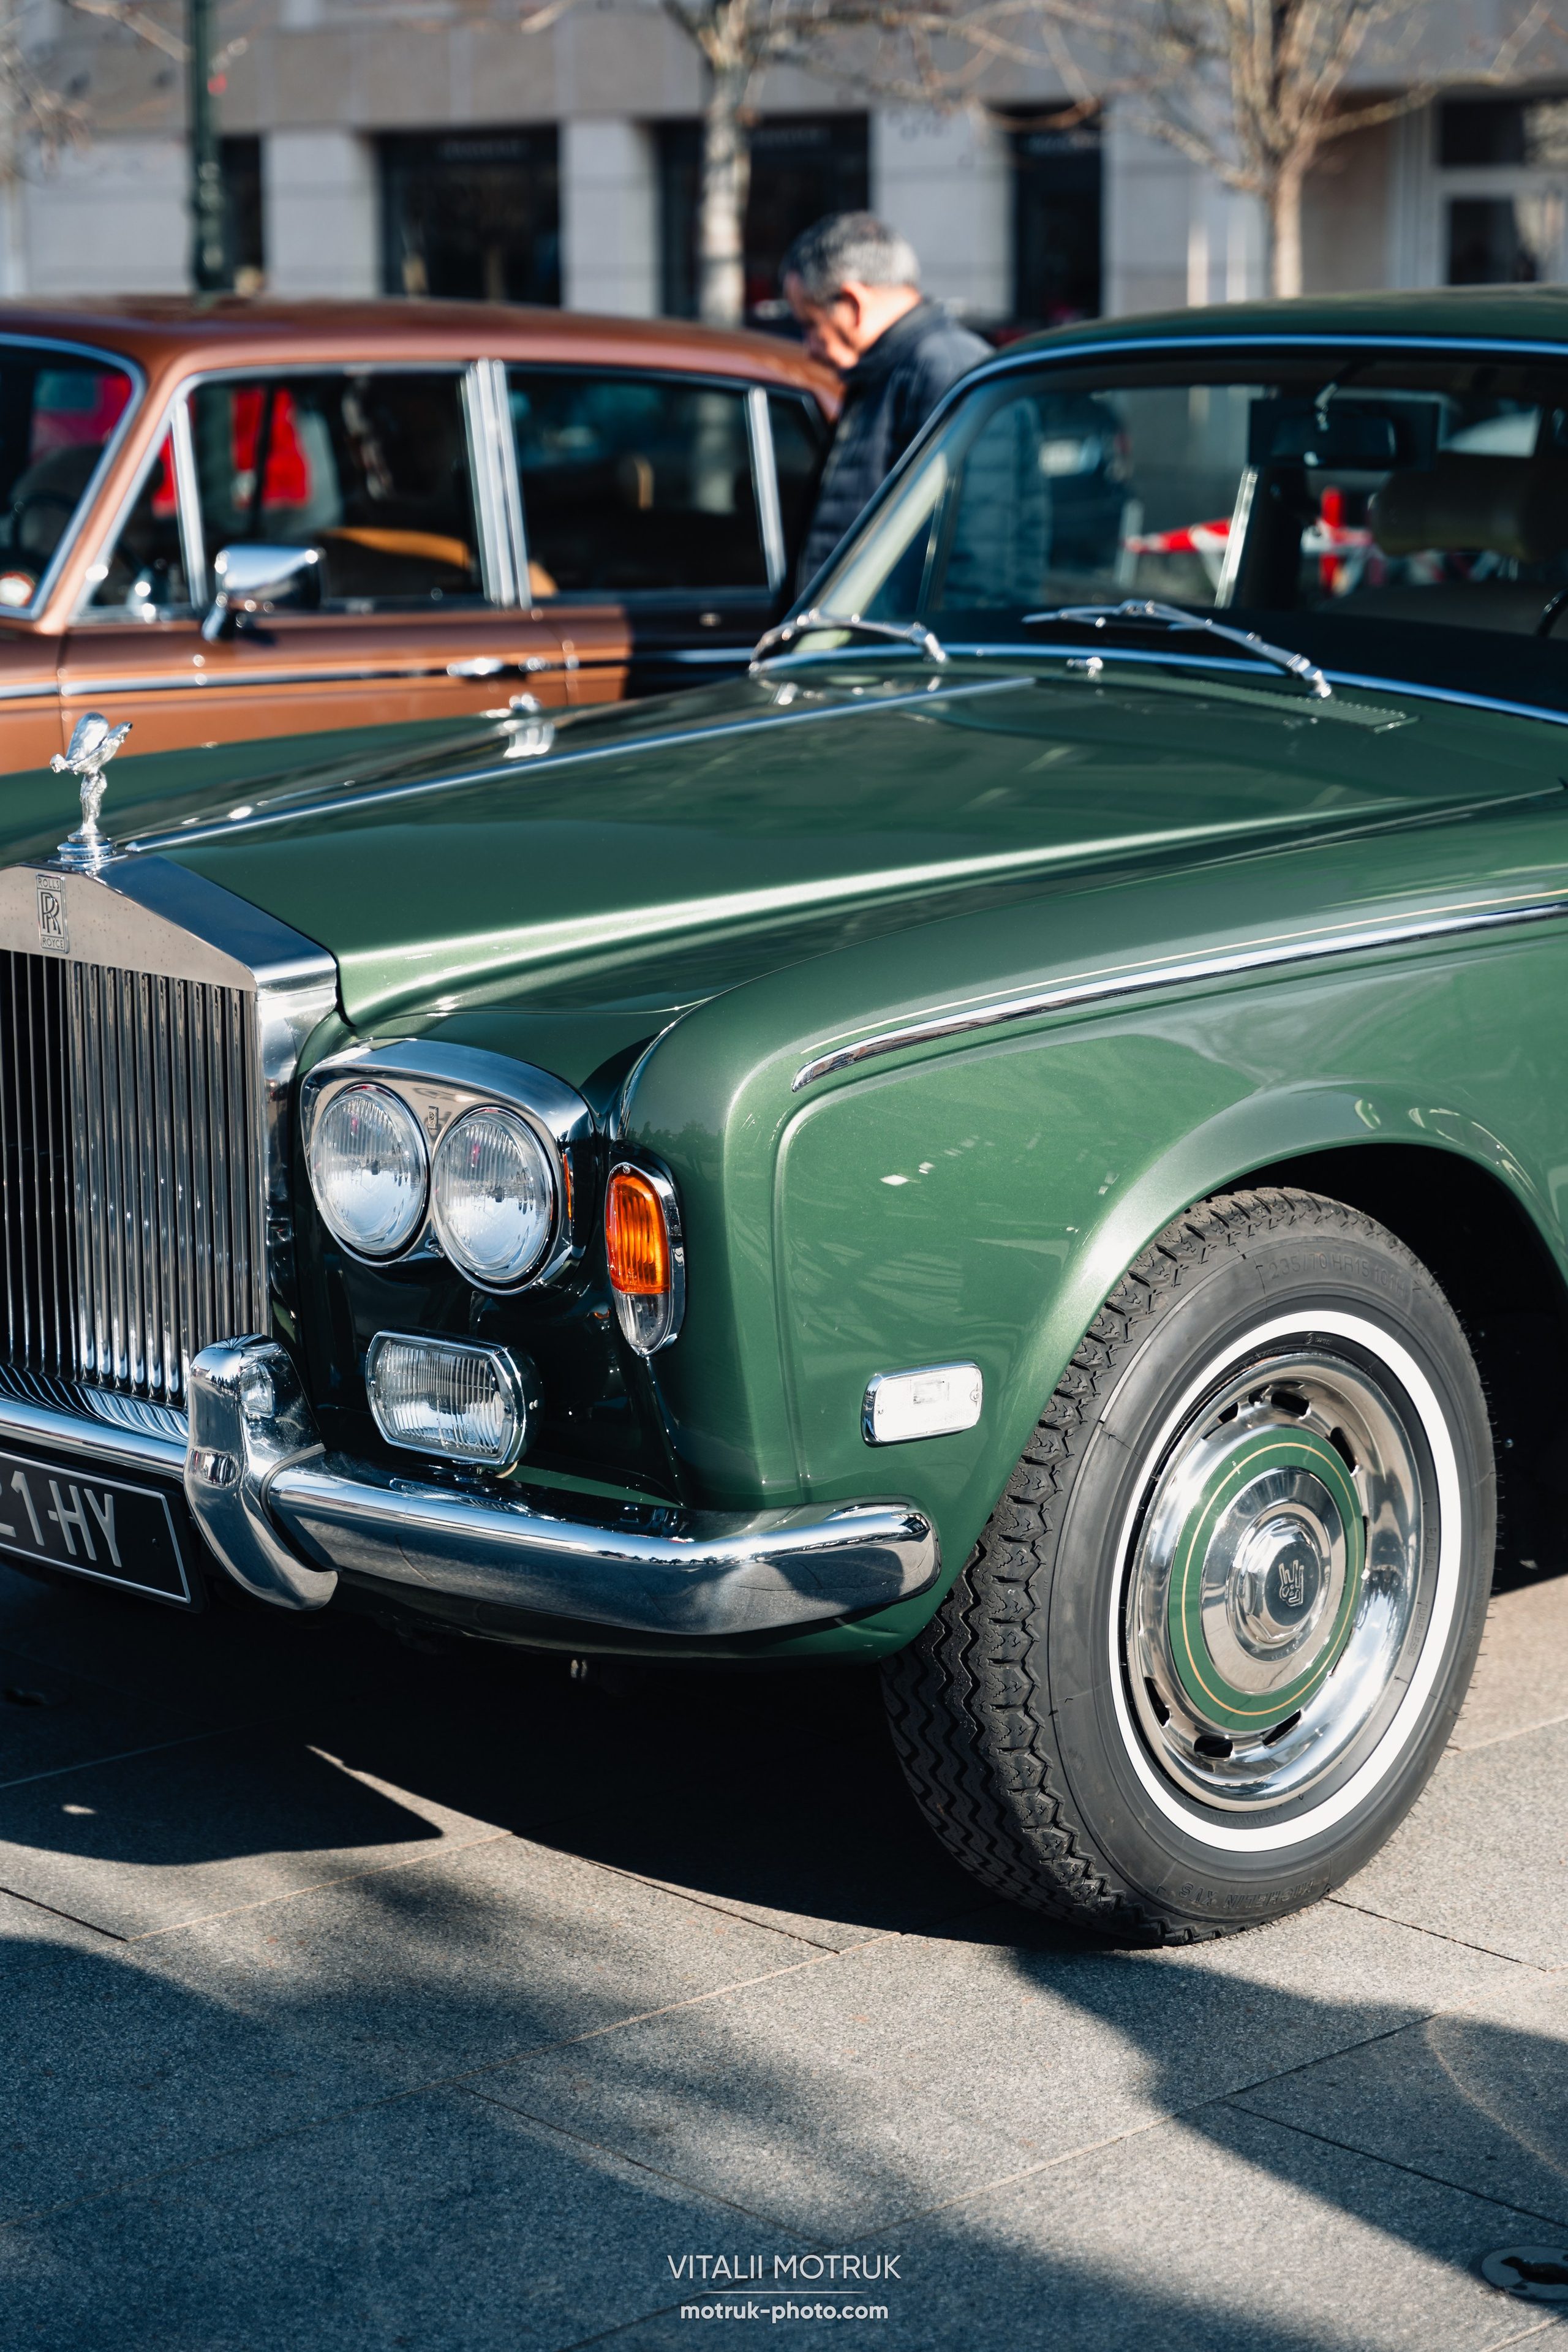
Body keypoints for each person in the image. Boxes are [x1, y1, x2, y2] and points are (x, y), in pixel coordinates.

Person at [783, 211, 990, 588]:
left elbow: (975, 556)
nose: (809, 347)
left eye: (810, 324)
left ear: (853, 303)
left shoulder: (944, 368)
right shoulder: (890, 370)